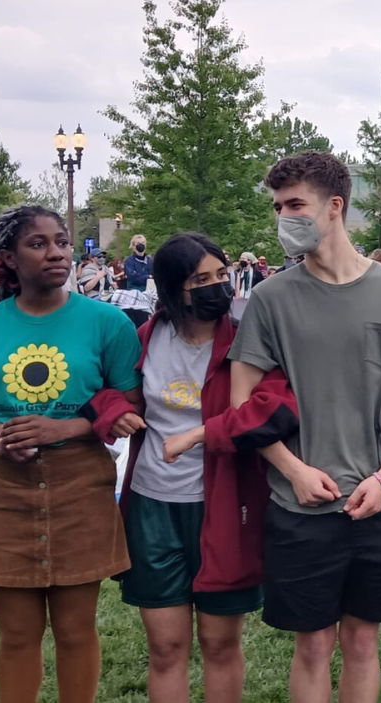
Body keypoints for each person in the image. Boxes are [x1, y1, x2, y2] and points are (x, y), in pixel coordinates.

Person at [228, 151, 381, 703]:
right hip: (300, 506)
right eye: (278, 207)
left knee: (362, 641)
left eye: (295, 204)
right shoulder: (270, 298)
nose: (284, 217)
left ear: (335, 207)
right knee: (312, 646)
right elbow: (242, 402)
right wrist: (294, 470)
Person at [83, 232, 303, 703]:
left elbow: (274, 409)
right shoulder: (144, 336)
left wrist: (203, 434)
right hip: (152, 507)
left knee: (220, 643)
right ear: (171, 287)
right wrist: (111, 410)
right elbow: (108, 390)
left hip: (224, 507)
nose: (216, 286)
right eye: (201, 279)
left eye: (221, 274)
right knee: (165, 647)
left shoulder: (248, 337)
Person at [0, 205, 142, 703]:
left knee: (77, 632)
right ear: (9, 258)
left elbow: (128, 402)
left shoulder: (108, 323)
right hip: (5, 492)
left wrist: (67, 426)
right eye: (38, 244)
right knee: (15, 637)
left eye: (61, 241)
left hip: (81, 486)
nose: (56, 252)